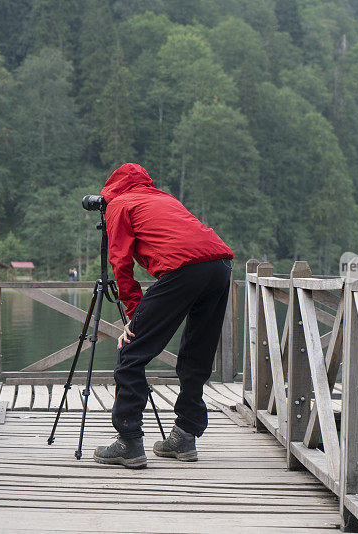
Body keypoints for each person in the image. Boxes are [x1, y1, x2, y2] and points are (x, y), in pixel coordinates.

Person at [93, 163, 233, 469]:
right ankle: (185, 436)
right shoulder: (164, 199)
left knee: (131, 350)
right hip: (221, 265)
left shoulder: (119, 204)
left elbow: (120, 262)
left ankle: (128, 443)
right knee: (197, 353)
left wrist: (133, 316)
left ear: (111, 187)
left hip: (184, 269)